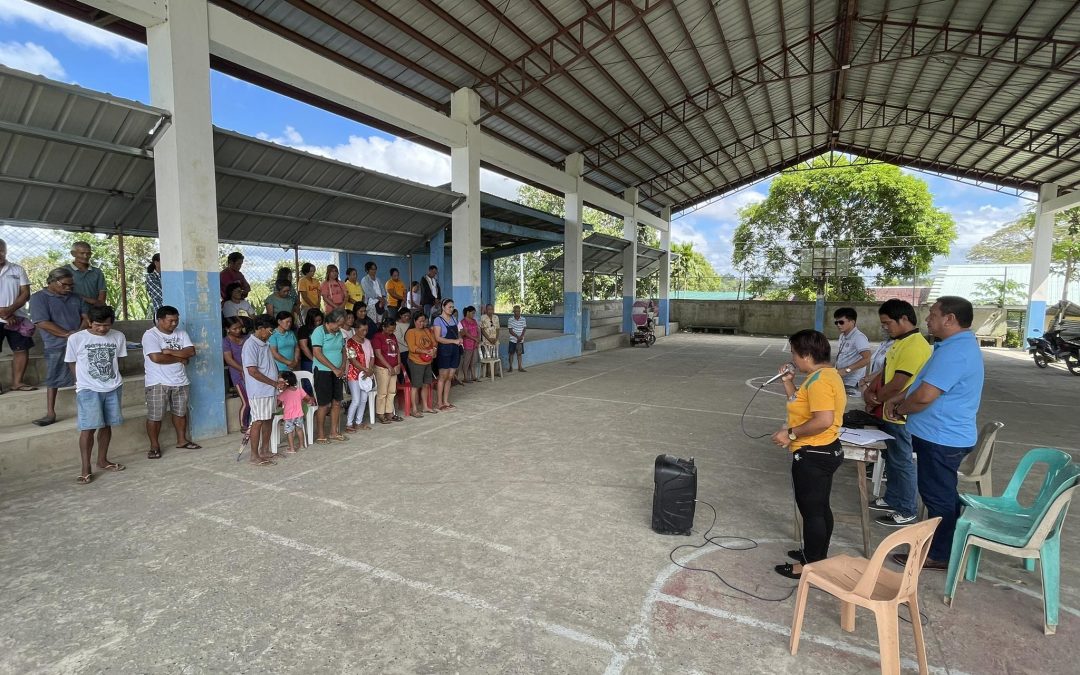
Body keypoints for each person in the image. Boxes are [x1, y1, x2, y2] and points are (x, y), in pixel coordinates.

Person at [885, 296, 984, 571]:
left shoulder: (956, 352)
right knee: (943, 493)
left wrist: (902, 407)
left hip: (942, 437)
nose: (927, 319)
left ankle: (940, 553)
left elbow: (926, 395)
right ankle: (949, 542)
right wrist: (901, 398)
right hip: (941, 434)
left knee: (937, 496)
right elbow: (923, 383)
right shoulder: (950, 347)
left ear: (949, 319)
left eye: (932, 314)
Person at [771, 329, 847, 579]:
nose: (793, 358)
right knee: (820, 507)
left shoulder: (820, 381)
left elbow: (823, 420)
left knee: (812, 511)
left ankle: (810, 565)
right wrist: (787, 381)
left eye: (794, 353)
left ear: (806, 355)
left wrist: (790, 434)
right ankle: (816, 554)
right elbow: (800, 404)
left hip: (814, 453)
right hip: (825, 450)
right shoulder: (824, 376)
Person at [866, 299, 932, 529]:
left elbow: (899, 382)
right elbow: (885, 372)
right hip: (888, 412)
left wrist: (877, 398)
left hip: (900, 415)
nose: (885, 327)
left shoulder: (915, 345)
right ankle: (892, 498)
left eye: (887, 323)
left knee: (902, 461)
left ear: (903, 319)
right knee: (890, 458)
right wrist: (870, 391)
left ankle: (906, 508)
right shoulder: (900, 342)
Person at [65, 305, 127, 483]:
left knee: (106, 425)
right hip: (88, 389)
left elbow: (118, 361)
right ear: (89, 322)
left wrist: (112, 379)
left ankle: (102, 460)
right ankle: (86, 467)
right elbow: (71, 362)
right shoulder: (76, 339)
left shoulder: (118, 336)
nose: (102, 329)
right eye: (97, 325)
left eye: (106, 325)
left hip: (113, 387)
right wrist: (80, 383)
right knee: (88, 428)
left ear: (112, 323)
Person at [29, 267, 87, 426]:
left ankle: (86, 409)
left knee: (82, 377)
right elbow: (42, 322)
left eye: (71, 285)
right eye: (65, 285)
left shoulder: (75, 297)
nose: (68, 288)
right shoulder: (38, 298)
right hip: (56, 344)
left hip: (78, 343)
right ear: (52, 282)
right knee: (53, 378)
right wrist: (67, 335)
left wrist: (78, 334)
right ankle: (50, 412)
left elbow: (85, 317)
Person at [142, 305, 200, 458]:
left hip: (180, 380)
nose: (174, 324)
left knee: (180, 413)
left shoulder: (181, 333)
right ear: (159, 320)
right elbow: (156, 358)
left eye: (176, 321)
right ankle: (154, 446)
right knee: (155, 416)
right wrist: (180, 358)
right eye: (170, 321)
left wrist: (168, 351)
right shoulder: (150, 335)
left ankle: (182, 440)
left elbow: (191, 351)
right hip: (157, 382)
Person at [242, 314, 285, 466]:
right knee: (258, 421)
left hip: (269, 390)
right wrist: (274, 383)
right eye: (269, 330)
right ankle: (254, 456)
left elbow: (269, 365)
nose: (271, 333)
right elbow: (252, 371)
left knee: (268, 419)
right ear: (260, 329)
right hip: (259, 391)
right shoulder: (250, 345)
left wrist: (277, 377)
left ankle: (265, 450)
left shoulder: (264, 343)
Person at [0, 240, 33, 394]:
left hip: (17, 318)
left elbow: (25, 293)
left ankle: (17, 382)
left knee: (21, 349)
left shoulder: (17, 269)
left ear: (6, 251)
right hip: (6, 316)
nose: (0, 254)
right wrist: (3, 312)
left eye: (2, 251)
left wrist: (10, 310)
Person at [310, 308, 347, 443]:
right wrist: (334, 368)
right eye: (338, 324)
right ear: (330, 322)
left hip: (337, 371)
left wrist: (342, 365)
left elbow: (343, 350)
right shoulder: (318, 332)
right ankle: (320, 434)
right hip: (323, 371)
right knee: (324, 404)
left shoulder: (339, 333)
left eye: (342, 325)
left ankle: (333, 432)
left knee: (337, 402)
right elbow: (317, 353)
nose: (340, 327)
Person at [222, 317, 251, 445]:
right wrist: (243, 370)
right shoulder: (226, 342)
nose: (238, 330)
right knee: (246, 401)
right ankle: (243, 425)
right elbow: (229, 360)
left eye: (239, 327)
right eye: (235, 328)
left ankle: (251, 422)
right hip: (237, 374)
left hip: (250, 373)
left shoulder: (246, 339)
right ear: (227, 329)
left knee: (252, 400)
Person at [405, 312, 438, 416]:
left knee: (425, 385)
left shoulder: (427, 330)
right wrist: (425, 351)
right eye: (420, 321)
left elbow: (434, 343)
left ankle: (425, 407)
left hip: (427, 361)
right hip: (416, 362)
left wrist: (434, 350)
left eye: (424, 321)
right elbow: (412, 348)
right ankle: (414, 409)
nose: (422, 323)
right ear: (414, 321)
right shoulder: (411, 332)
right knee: (416, 385)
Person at [833, 307, 871, 395]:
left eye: (841, 322)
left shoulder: (859, 337)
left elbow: (867, 358)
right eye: (836, 322)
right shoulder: (842, 336)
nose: (838, 325)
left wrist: (847, 370)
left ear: (852, 322)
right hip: (841, 379)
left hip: (852, 383)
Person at [371, 316, 402, 424]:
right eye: (389, 329)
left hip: (393, 367)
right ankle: (381, 414)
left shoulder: (392, 336)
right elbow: (378, 354)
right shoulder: (377, 337)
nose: (391, 331)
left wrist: (398, 364)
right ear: (383, 327)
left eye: (393, 329)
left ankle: (389, 412)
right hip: (382, 368)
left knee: (392, 391)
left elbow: (397, 351)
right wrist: (389, 366)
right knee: (383, 392)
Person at [432, 299, 462, 411]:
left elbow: (459, 332)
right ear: (443, 307)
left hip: (455, 350)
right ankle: (439, 403)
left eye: (452, 307)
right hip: (444, 349)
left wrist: (460, 339)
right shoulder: (437, 320)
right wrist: (453, 341)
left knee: (450, 376)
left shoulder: (454, 319)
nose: (451, 308)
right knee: (442, 377)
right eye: (449, 307)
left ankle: (446, 401)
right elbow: (438, 338)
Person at [344, 322, 374, 432]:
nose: (365, 333)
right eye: (362, 330)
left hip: (366, 374)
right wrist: (366, 370)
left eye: (366, 330)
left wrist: (369, 369)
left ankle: (358, 422)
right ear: (356, 329)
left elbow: (372, 357)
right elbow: (353, 360)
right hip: (354, 374)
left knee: (364, 399)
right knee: (356, 400)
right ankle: (349, 424)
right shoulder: (350, 342)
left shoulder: (368, 342)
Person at [277, 370, 313, 453]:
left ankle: (292, 448)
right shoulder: (299, 390)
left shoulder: (284, 393)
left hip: (288, 416)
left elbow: (277, 403)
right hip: (299, 415)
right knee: (299, 430)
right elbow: (308, 398)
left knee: (289, 432)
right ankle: (302, 445)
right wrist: (309, 401)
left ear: (285, 383)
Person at [68, 241, 106, 313]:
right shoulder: (64, 271)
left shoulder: (97, 272)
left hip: (93, 312)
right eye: (82, 253)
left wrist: (96, 311)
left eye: (88, 253)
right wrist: (92, 301)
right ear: (73, 254)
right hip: (71, 312)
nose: (85, 256)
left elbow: (101, 298)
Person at [297, 309, 324, 374]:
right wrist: (313, 359)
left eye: (320, 320)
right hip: (308, 360)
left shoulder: (323, 328)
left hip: (323, 359)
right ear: (310, 320)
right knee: (309, 381)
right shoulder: (304, 329)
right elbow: (304, 347)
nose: (318, 323)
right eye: (315, 321)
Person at [458, 305, 479, 383]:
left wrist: (477, 340)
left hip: (475, 343)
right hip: (467, 343)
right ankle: (465, 377)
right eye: (473, 313)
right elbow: (465, 333)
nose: (474, 315)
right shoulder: (463, 322)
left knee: (474, 360)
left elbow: (478, 330)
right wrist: (475, 339)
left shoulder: (474, 321)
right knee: (466, 361)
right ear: (468, 312)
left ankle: (474, 376)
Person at [507, 305, 527, 372]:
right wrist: (517, 337)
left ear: (520, 311)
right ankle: (510, 367)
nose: (517, 312)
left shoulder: (523, 319)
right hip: (513, 339)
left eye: (518, 311)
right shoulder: (510, 319)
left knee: (519, 354)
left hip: (520, 340)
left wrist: (521, 336)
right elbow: (510, 330)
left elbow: (524, 329)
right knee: (511, 353)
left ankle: (520, 367)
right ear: (513, 312)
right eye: (516, 311)